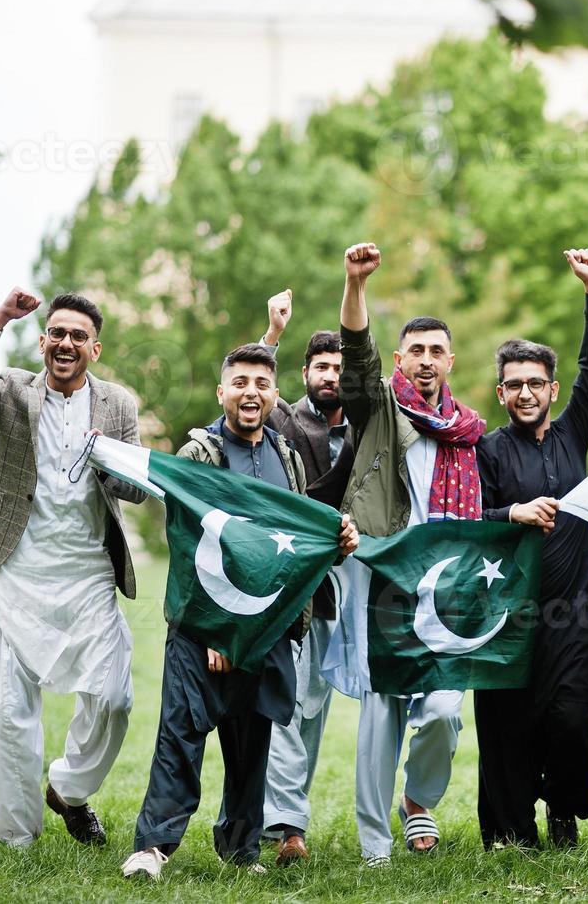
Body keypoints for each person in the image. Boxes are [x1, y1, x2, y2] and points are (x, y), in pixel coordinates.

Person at [121, 344, 358, 879]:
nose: (251, 392)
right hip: (202, 628)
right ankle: (153, 847)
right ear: (222, 392)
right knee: (181, 734)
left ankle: (242, 848)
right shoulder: (199, 454)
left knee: (254, 742)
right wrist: (218, 633)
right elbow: (188, 545)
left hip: (268, 629)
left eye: (261, 383)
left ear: (275, 395)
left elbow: (296, 537)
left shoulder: (289, 455)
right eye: (240, 382)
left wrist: (336, 535)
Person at [0, 288, 147, 849]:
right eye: (57, 332)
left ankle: (70, 789)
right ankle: (17, 838)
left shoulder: (119, 405)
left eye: (78, 336)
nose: (66, 343)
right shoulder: (12, 391)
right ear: (43, 339)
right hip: (16, 568)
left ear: (94, 349)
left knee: (114, 696)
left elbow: (138, 490)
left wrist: (111, 461)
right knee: (9, 711)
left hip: (88, 573)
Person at [326, 241, 486, 864]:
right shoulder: (377, 410)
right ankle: (375, 846)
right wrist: (356, 285)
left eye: (435, 351)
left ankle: (418, 802)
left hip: (445, 585)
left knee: (445, 710)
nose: (425, 360)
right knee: (382, 711)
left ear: (450, 360)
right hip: (386, 575)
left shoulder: (469, 431)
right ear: (400, 359)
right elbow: (357, 363)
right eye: (414, 351)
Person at [473, 247, 588, 849]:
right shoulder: (486, 449)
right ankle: (510, 829)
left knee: (574, 722)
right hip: (507, 614)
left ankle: (564, 810)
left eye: (535, 383)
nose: (526, 392)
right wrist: (513, 513)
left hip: (574, 615)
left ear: (552, 388)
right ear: (499, 393)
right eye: (514, 385)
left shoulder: (575, 431)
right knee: (506, 727)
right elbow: (467, 518)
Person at [255, 291, 355, 865]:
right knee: (287, 700)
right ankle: (289, 824)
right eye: (322, 366)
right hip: (295, 581)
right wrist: (272, 332)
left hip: (354, 583)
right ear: (306, 372)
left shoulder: (370, 424)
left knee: (315, 705)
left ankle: (285, 816)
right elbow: (253, 391)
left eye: (341, 368)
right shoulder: (287, 417)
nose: (331, 375)